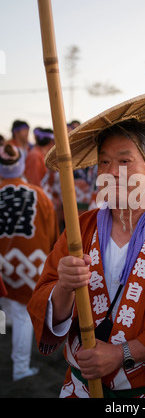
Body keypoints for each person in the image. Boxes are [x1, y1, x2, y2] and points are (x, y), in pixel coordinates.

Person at [27, 89, 145, 399]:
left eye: (125, 161)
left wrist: (120, 353)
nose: (112, 172)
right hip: (81, 387)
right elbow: (46, 304)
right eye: (104, 162)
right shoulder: (79, 229)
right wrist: (63, 287)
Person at [0, 143, 59, 381]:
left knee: (9, 311)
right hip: (26, 268)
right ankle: (21, 369)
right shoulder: (41, 197)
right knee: (22, 314)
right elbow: (54, 238)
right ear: (22, 164)